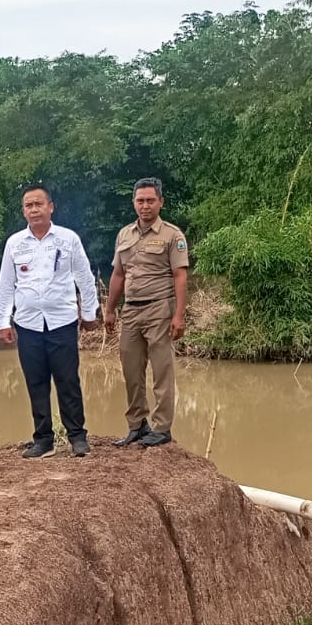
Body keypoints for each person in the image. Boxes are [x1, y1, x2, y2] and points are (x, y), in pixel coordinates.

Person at [0, 184, 101, 459]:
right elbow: (6, 285)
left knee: (68, 381)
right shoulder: (14, 243)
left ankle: (77, 436)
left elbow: (85, 278)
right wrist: (3, 321)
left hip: (62, 322)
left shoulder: (68, 239)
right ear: (23, 211)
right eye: (28, 205)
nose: (34, 210)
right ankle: (43, 440)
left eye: (38, 204)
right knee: (36, 382)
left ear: (51, 207)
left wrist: (89, 314)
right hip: (28, 324)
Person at [103, 178, 189, 448]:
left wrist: (179, 316)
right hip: (131, 310)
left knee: (162, 371)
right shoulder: (124, 235)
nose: (145, 206)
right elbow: (118, 274)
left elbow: (180, 276)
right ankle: (137, 425)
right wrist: (109, 310)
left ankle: (162, 428)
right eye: (140, 200)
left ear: (160, 202)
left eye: (150, 200)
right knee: (131, 371)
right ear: (134, 203)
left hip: (159, 309)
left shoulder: (172, 236)